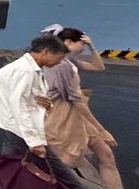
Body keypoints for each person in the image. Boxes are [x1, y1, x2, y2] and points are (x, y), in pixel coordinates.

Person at [0, 33, 82, 189]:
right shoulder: (25, 71)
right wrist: (34, 141)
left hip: (21, 128)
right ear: (46, 51)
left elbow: (27, 100)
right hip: (19, 129)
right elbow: (19, 106)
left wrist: (47, 105)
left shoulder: (32, 69)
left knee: (11, 167)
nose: (59, 62)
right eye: (59, 57)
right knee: (12, 169)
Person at [44, 27, 122, 188]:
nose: (83, 48)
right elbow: (76, 101)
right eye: (82, 44)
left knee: (106, 156)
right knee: (64, 164)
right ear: (68, 42)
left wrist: (92, 47)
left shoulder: (69, 62)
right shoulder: (60, 66)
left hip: (79, 116)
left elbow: (98, 67)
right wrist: (101, 129)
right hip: (63, 117)